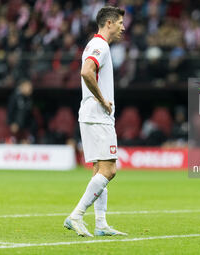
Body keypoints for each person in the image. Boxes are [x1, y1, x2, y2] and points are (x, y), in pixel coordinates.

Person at [64, 6, 126, 237]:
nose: (123, 27)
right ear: (108, 23)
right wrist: (103, 100)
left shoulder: (94, 44)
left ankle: (101, 223)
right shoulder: (100, 45)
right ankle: (76, 215)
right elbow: (86, 72)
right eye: (120, 22)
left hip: (90, 114)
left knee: (99, 169)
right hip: (98, 115)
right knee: (109, 169)